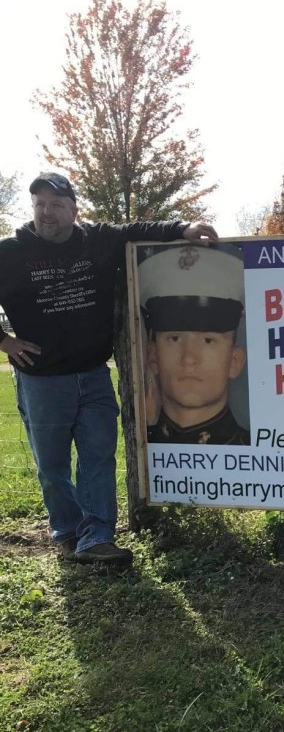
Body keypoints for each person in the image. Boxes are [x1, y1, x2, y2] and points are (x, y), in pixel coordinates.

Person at [0, 171, 218, 566]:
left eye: (56, 205)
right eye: (39, 204)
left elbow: (138, 228)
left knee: (98, 456)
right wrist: (4, 341)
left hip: (95, 374)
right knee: (52, 467)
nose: (46, 213)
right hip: (42, 381)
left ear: (73, 210)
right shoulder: (10, 252)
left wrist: (184, 227)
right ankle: (67, 530)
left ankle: (97, 537)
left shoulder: (97, 239)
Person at [140, 244, 250, 445]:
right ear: (153, 356)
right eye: (174, 339)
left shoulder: (261, 456)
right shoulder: (141, 447)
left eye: (208, 340)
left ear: (235, 361)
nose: (189, 358)